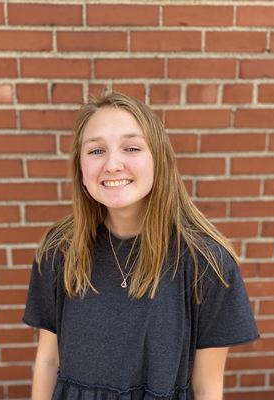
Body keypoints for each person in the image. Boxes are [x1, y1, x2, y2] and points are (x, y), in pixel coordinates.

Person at [23, 92, 259, 400]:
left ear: (159, 159)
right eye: (96, 150)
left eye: (131, 148)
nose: (112, 164)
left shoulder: (207, 262)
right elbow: (48, 360)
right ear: (80, 169)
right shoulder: (59, 250)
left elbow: (207, 386)